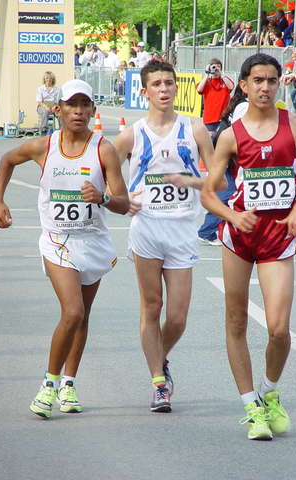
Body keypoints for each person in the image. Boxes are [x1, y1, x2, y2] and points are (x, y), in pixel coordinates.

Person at [0, 79, 129, 419]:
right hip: (57, 241)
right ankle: (49, 384)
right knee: (73, 312)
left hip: (92, 241)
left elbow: (124, 203)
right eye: (71, 105)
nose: (78, 111)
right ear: (59, 109)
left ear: (93, 110)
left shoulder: (104, 150)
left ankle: (69, 383)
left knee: (82, 316)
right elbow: (7, 159)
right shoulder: (44, 146)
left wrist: (102, 197)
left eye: (84, 105)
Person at [201, 53, 296, 440]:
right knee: (236, 321)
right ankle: (251, 406)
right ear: (244, 86)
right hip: (239, 236)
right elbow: (208, 194)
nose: (265, 87)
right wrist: (232, 217)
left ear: (279, 83)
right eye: (257, 80)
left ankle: (269, 392)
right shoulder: (231, 135)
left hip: (279, 236)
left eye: (271, 80)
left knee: (279, 329)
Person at [114, 61, 215, 413]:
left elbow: (218, 178)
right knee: (151, 306)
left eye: (169, 83)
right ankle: (159, 382)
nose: (164, 89)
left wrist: (191, 181)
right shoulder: (133, 134)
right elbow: (104, 168)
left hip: (182, 229)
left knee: (177, 318)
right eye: (156, 84)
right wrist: (120, 198)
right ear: (144, 91)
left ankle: (159, 356)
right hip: (147, 229)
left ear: (176, 88)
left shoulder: (195, 129)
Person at [197, 85, 246, 246]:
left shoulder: (240, 104)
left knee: (231, 192)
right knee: (228, 193)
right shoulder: (244, 107)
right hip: (227, 155)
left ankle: (222, 228)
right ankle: (207, 231)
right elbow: (240, 135)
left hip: (226, 153)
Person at [196, 58, 234, 135]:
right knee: (210, 141)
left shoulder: (225, 81)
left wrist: (221, 74)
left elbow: (231, 87)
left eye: (218, 67)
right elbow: (199, 89)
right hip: (209, 119)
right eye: (213, 67)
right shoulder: (206, 82)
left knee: (223, 140)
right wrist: (207, 74)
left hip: (223, 119)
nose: (216, 69)